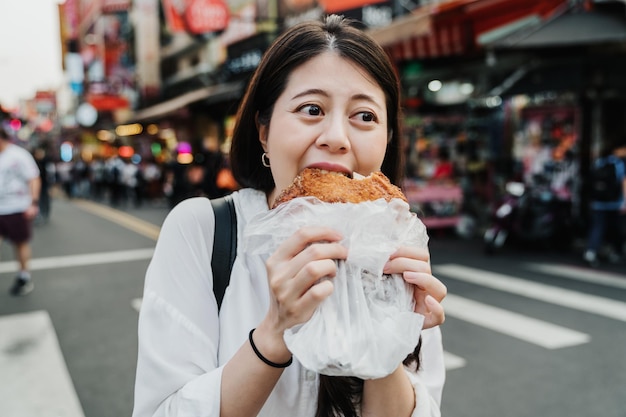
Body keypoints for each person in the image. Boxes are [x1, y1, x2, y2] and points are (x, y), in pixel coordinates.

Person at [132, 15, 447, 417]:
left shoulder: (400, 246)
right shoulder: (203, 230)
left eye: (365, 116)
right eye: (312, 109)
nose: (336, 137)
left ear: (387, 139)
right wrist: (276, 330)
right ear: (263, 129)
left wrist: (382, 336)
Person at [0, 126, 41, 296]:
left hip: (17, 206)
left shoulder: (18, 155)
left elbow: (33, 178)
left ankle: (24, 276)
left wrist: (33, 203)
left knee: (20, 243)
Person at [583, 142, 626, 267]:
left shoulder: (599, 162)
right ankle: (614, 251)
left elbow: (590, 181)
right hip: (614, 203)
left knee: (597, 227)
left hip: (597, 202)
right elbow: (624, 182)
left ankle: (591, 251)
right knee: (615, 228)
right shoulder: (619, 164)